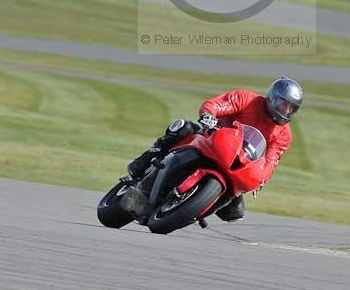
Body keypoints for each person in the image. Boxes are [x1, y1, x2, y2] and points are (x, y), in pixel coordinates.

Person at [127, 76, 303, 222]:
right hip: (211, 138)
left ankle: (192, 212)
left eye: (290, 108)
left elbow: (270, 163)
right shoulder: (247, 99)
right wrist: (208, 116)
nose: (285, 110)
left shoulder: (284, 135)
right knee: (182, 128)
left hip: (237, 163)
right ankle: (144, 161)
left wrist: (260, 179)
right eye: (282, 104)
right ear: (272, 97)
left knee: (236, 212)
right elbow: (216, 105)